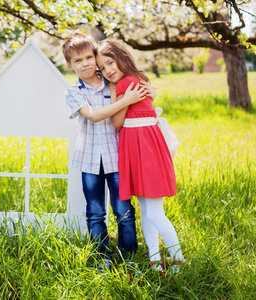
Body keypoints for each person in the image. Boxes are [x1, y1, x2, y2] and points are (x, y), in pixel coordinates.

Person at [62, 32, 154, 270]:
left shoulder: (112, 82)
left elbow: (140, 92)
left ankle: (128, 255)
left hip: (117, 157)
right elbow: (93, 116)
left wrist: (149, 94)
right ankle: (102, 255)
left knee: (124, 209)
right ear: (70, 65)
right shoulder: (73, 92)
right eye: (78, 61)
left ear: (95, 57)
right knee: (95, 212)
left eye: (88, 58)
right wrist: (126, 100)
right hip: (89, 160)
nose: (85, 64)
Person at [96, 38, 185, 274]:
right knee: (147, 211)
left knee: (154, 211)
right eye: (102, 68)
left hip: (145, 152)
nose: (107, 70)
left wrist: (116, 93)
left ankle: (178, 259)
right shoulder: (136, 81)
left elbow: (116, 122)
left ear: (121, 56)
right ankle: (155, 262)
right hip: (142, 149)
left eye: (110, 62)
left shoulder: (126, 84)